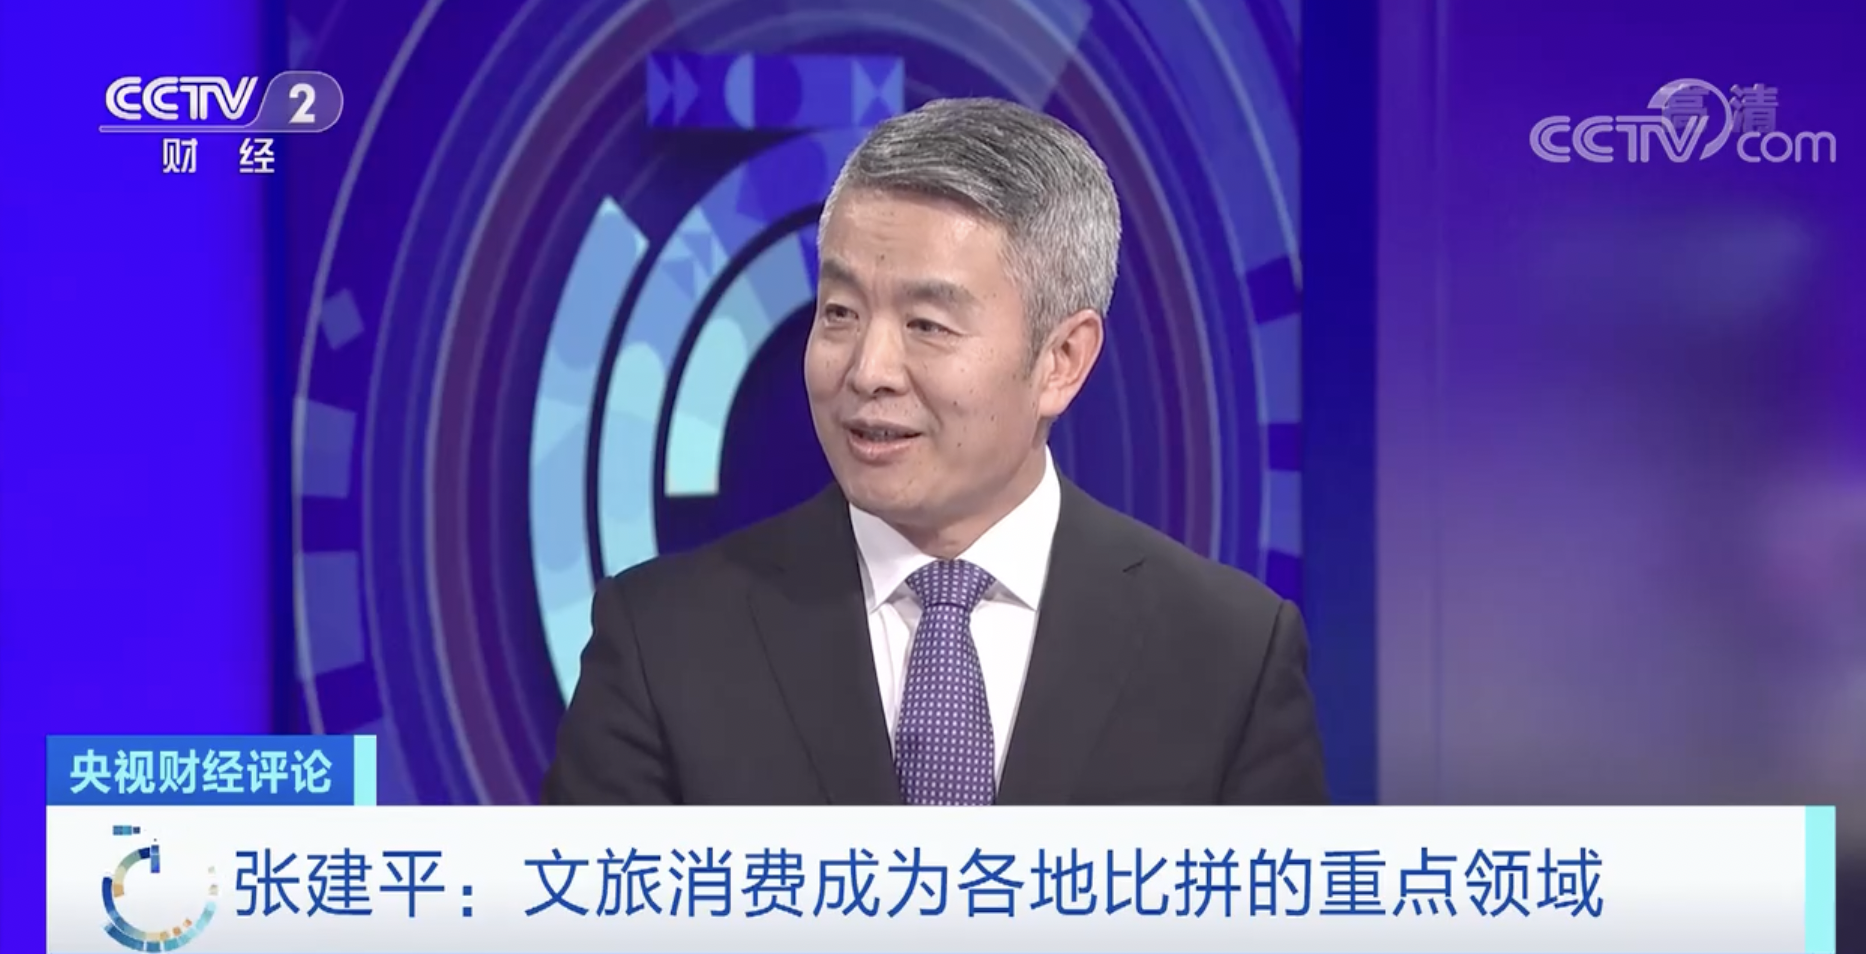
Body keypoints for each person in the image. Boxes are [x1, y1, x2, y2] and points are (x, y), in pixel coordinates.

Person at [543, 98, 1328, 806]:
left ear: (1062, 360)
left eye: (927, 325)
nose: (868, 371)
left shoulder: (1230, 655)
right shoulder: (662, 642)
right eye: (840, 311)